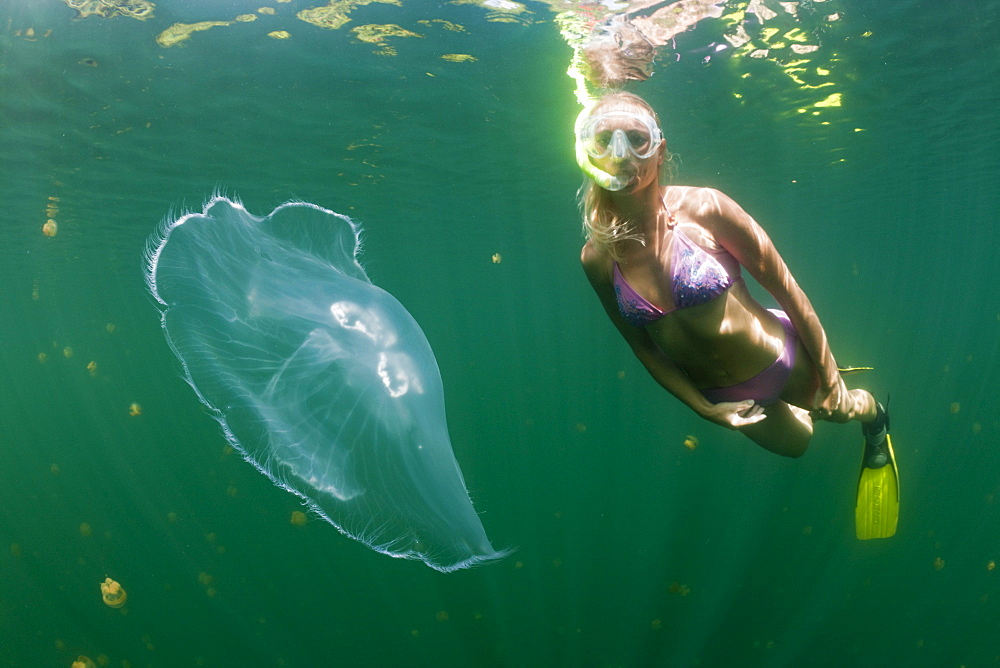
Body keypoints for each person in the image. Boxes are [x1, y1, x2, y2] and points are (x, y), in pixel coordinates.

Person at [574, 92, 898, 538]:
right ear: (587, 151)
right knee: (798, 446)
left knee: (840, 411)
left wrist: (828, 378)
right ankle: (820, 394)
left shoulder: (706, 207)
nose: (622, 154)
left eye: (636, 139)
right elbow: (643, 347)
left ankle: (875, 417)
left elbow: (787, 289)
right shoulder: (596, 258)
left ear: (660, 149)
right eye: (605, 140)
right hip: (728, 395)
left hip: (778, 357)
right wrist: (706, 409)